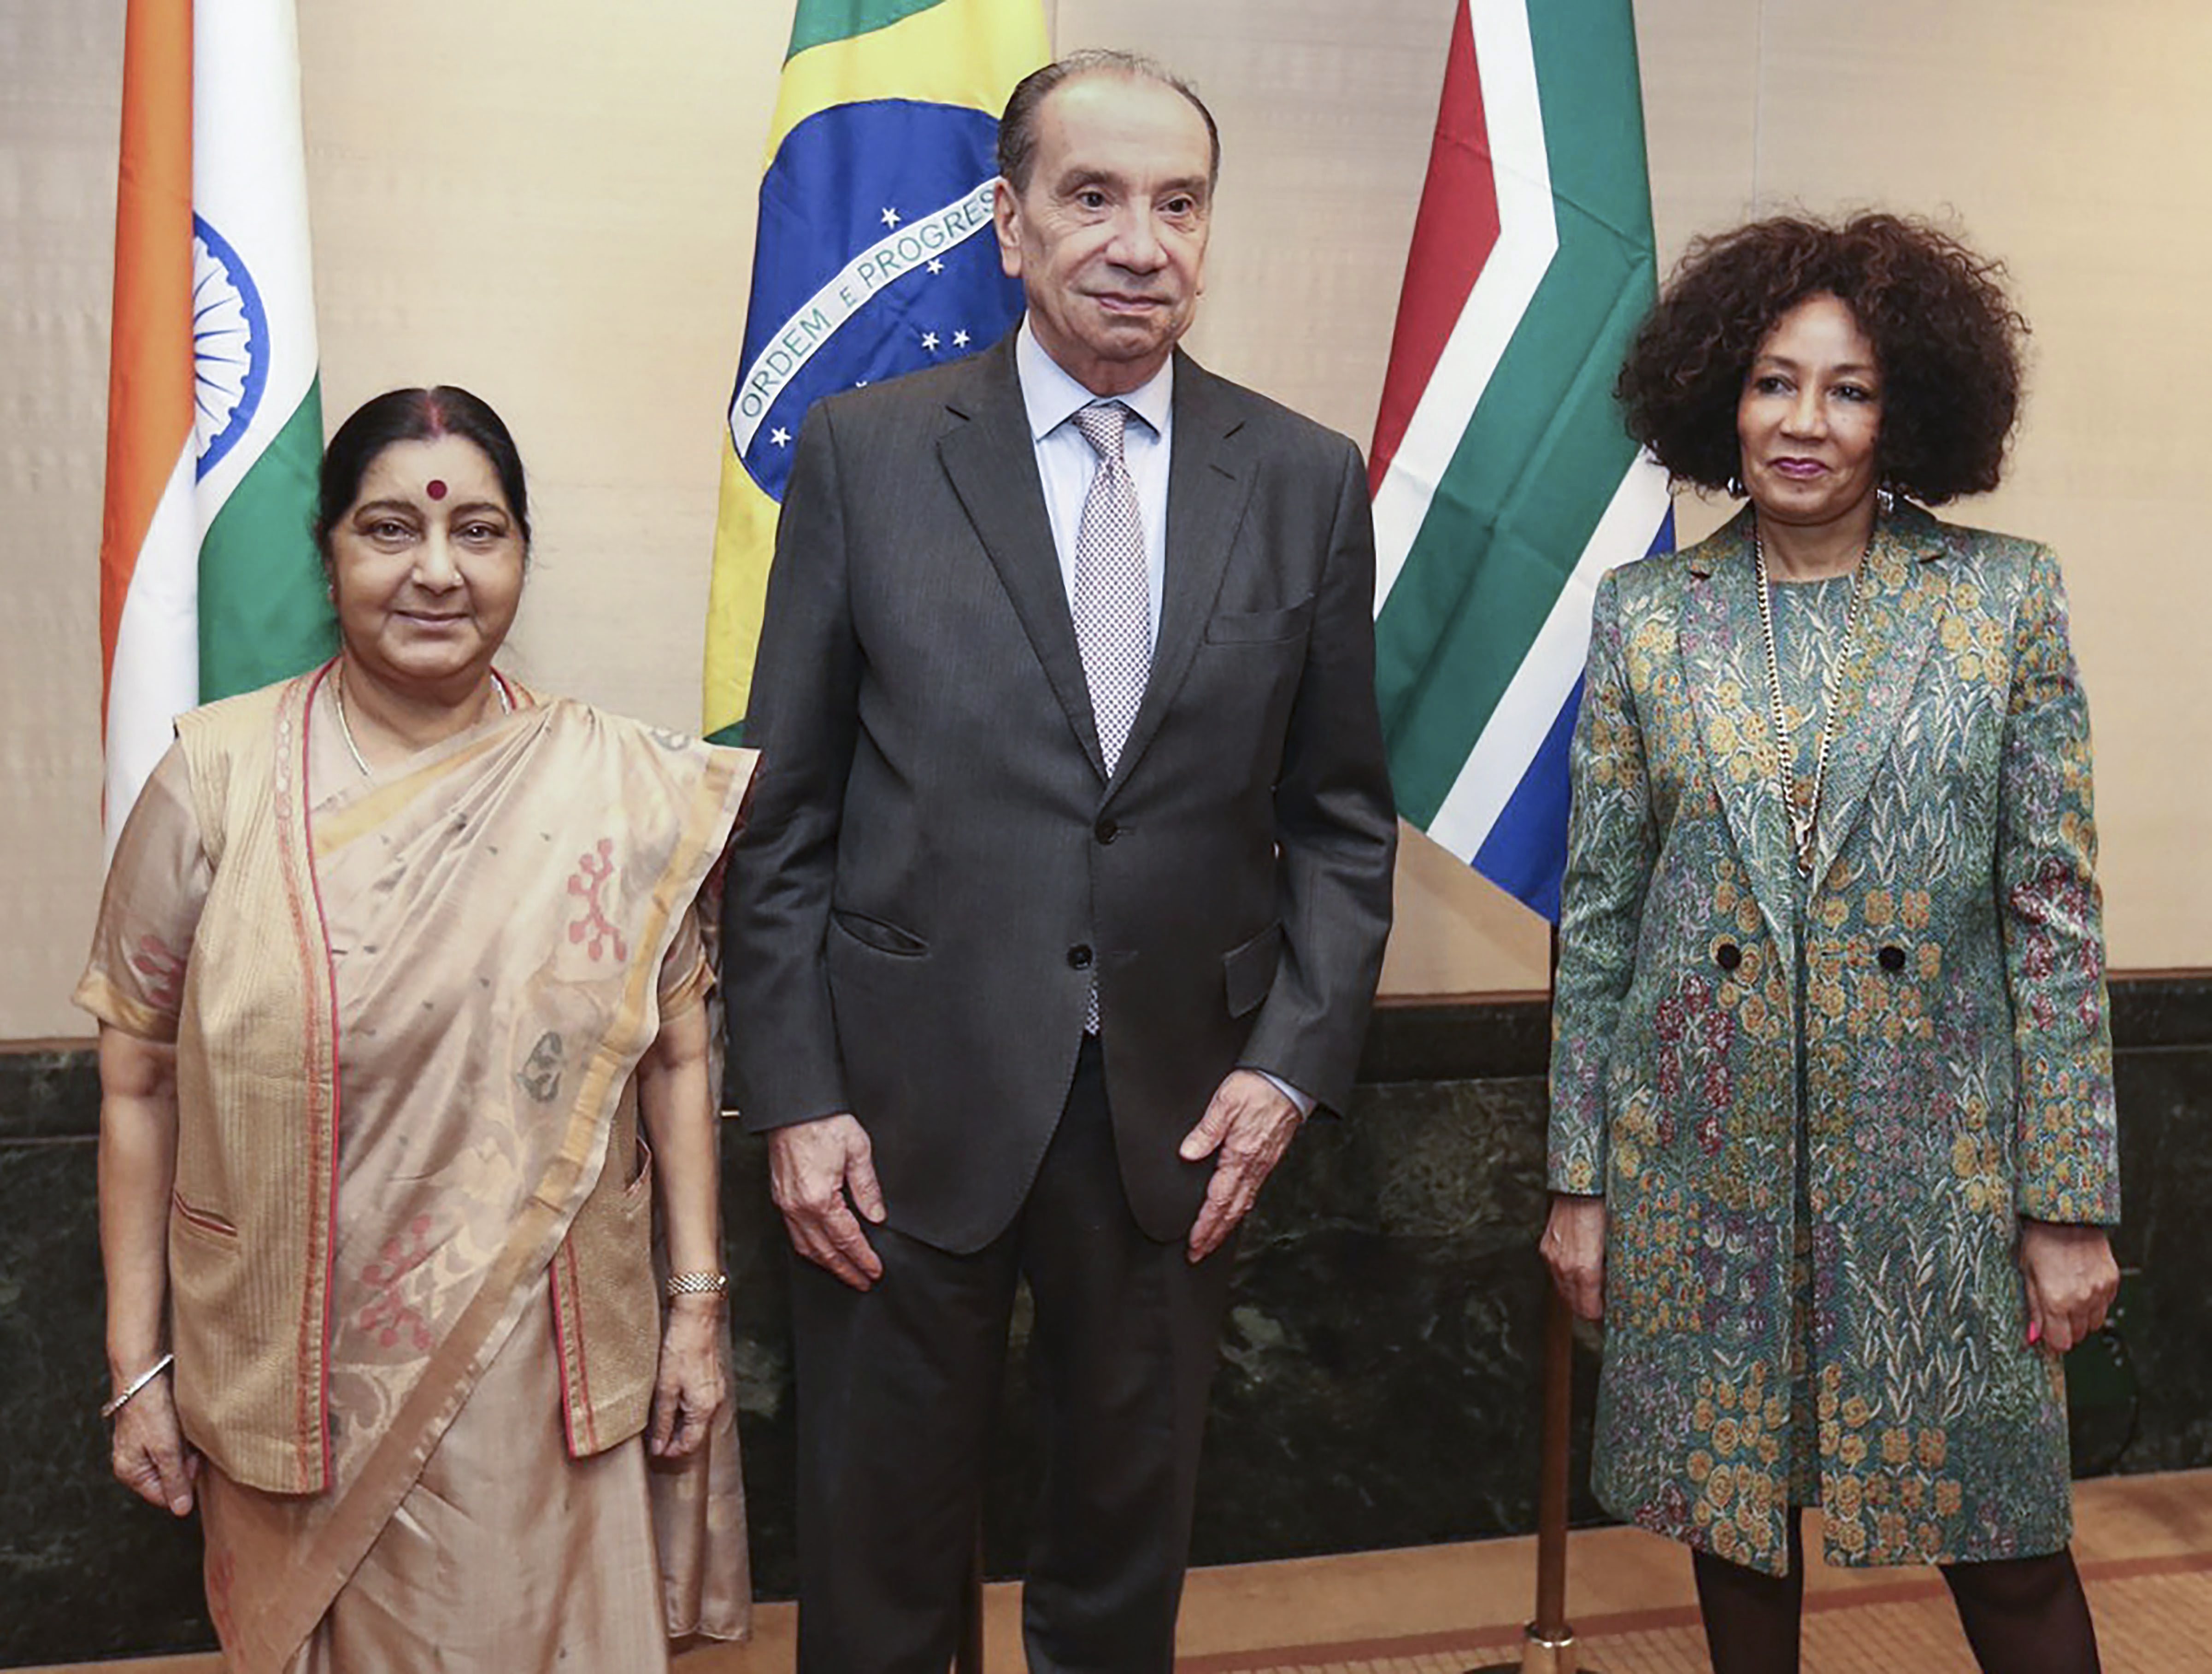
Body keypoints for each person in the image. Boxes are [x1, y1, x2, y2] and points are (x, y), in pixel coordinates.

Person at [723, 48, 1398, 1674]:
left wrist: (1291, 1069)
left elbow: (1343, 819)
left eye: (1179, 204)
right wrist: (798, 1095)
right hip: (895, 1110)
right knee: (879, 1580)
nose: (1139, 241)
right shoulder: (868, 453)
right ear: (1009, 224)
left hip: (1177, 1107)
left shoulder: (1301, 479)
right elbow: (784, 813)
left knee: (1119, 1576)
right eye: (1092, 197)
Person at [78, 387, 755, 1674]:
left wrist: (697, 1308)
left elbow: (677, 1053)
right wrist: (135, 1366)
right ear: (329, 558)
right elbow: (133, 1083)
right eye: (390, 530)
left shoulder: (613, 783)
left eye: (480, 532)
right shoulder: (212, 780)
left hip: (542, 1369)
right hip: (298, 1370)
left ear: (521, 556)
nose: (437, 571)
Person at [1541, 212, 2121, 1674]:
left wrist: (2068, 1202)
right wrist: (1579, 1183)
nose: (1803, 423)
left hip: (1941, 1183)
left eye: (1848, 388)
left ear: (1906, 406)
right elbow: (1601, 920)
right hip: (1700, 1171)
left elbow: (2054, 922)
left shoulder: (2002, 600)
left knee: (2007, 1546)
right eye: (1772, 382)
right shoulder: (1644, 620)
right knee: (1737, 1540)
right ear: (1717, 398)